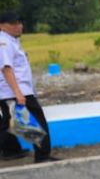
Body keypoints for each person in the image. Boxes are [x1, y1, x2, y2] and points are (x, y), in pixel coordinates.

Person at [0, 10, 57, 162]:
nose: (19, 26)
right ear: (2, 26)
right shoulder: (4, 42)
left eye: (19, 22)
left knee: (7, 124)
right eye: (14, 23)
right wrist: (18, 93)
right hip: (14, 91)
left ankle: (10, 151)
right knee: (38, 120)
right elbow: (6, 68)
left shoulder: (11, 41)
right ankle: (42, 156)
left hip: (11, 91)